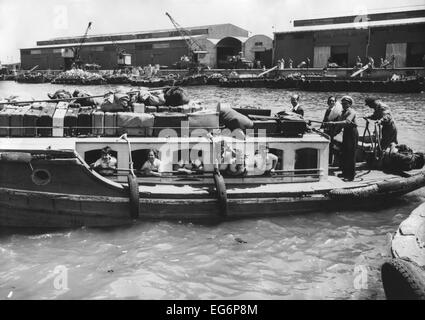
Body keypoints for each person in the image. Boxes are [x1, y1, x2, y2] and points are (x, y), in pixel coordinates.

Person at [323, 96, 358, 181]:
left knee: (350, 154)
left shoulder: (352, 112)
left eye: (345, 103)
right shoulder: (342, 112)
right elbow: (340, 125)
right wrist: (333, 134)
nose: (343, 105)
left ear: (349, 104)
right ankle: (345, 172)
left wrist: (333, 123)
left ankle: (351, 176)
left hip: (352, 134)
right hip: (345, 133)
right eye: (342, 103)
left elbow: (347, 122)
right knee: (344, 153)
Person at [321, 96, 342, 164]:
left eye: (333, 101)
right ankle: (327, 161)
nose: (331, 102)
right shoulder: (328, 110)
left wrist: (334, 131)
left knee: (332, 147)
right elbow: (324, 120)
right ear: (328, 102)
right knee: (327, 147)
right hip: (326, 131)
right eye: (330, 101)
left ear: (335, 102)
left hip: (333, 131)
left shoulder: (337, 112)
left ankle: (330, 162)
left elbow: (338, 122)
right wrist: (321, 127)